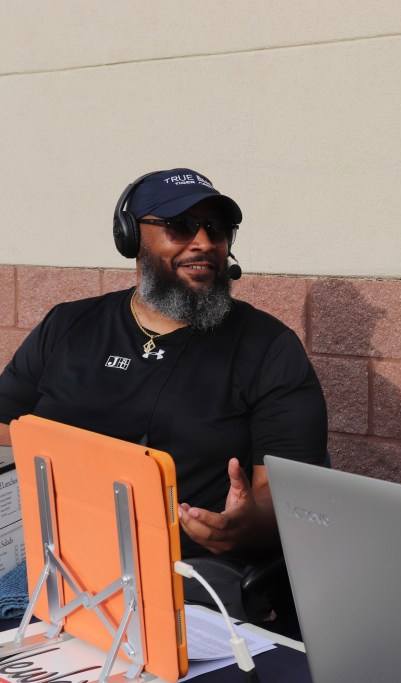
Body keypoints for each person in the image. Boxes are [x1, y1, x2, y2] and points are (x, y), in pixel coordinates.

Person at [0, 168, 328, 573]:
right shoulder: (68, 325)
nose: (205, 243)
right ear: (132, 237)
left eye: (217, 228)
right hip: (54, 554)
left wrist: (242, 525)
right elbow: (5, 428)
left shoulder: (268, 347)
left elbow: (290, 494)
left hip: (189, 573)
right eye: (181, 226)